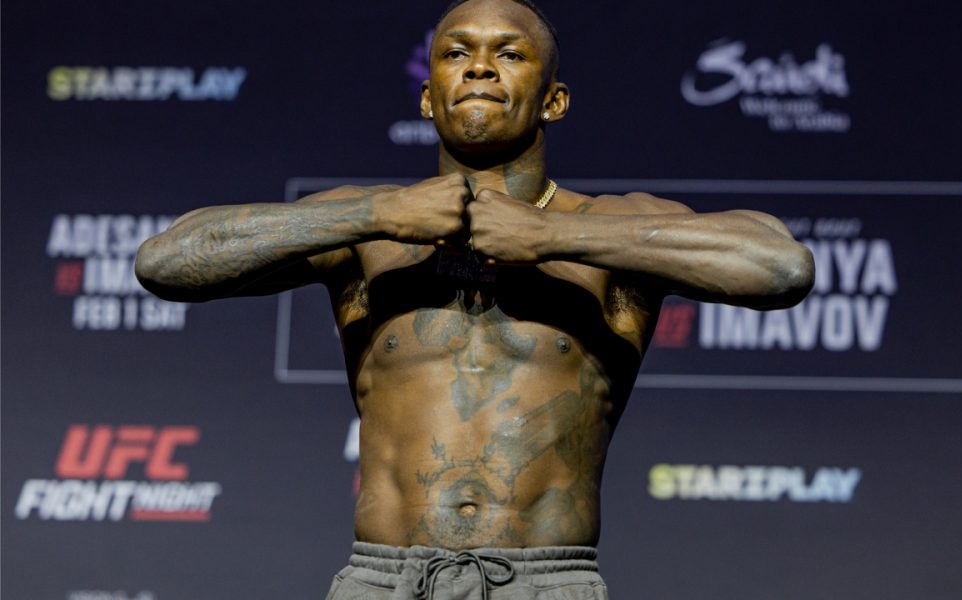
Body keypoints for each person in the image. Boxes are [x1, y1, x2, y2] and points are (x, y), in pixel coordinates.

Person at [135, 0, 814, 597]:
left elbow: (780, 265)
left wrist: (552, 237)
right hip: (384, 580)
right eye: (456, 53)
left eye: (509, 55)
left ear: (554, 101)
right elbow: (166, 260)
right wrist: (377, 213)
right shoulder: (367, 232)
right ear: (427, 97)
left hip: (547, 581)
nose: (480, 68)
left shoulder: (608, 224)